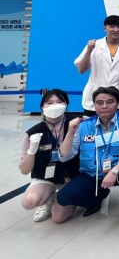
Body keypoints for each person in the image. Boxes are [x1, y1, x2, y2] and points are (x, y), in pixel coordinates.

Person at [52, 86, 119, 223]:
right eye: (99, 103)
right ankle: (96, 198)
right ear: (94, 105)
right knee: (62, 200)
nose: (104, 106)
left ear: (118, 103)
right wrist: (70, 133)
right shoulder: (83, 126)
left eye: (110, 102)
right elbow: (65, 157)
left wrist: (115, 171)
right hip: (92, 174)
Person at [19, 89, 79, 222]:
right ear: (42, 107)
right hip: (47, 176)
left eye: (59, 101)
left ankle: (68, 196)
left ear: (66, 105)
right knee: (28, 201)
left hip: (73, 175)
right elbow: (24, 170)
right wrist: (31, 151)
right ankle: (48, 198)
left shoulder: (76, 124)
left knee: (58, 217)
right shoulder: (33, 133)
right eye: (49, 103)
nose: (55, 105)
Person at [74, 15, 119, 115]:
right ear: (105, 28)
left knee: (117, 125)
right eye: (112, 26)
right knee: (91, 124)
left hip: (118, 98)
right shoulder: (94, 45)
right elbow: (81, 70)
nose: (116, 30)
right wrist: (89, 51)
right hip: (94, 97)